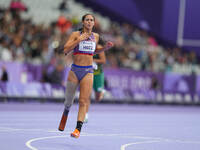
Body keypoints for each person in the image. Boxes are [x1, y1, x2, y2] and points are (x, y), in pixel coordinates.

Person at [57, 14, 114, 138]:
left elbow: (93, 52)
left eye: (91, 20)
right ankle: (66, 112)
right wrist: (79, 40)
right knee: (69, 100)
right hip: (75, 71)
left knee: (83, 101)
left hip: (88, 71)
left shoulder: (97, 37)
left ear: (94, 23)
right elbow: (65, 50)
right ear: (83, 22)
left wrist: (105, 48)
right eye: (87, 20)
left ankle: (77, 129)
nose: (89, 22)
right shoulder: (75, 34)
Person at [84, 51, 106, 123]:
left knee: (98, 98)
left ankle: (102, 91)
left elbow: (103, 60)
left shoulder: (99, 48)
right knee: (87, 95)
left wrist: (93, 60)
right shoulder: (88, 47)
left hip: (98, 75)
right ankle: (85, 115)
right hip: (89, 73)